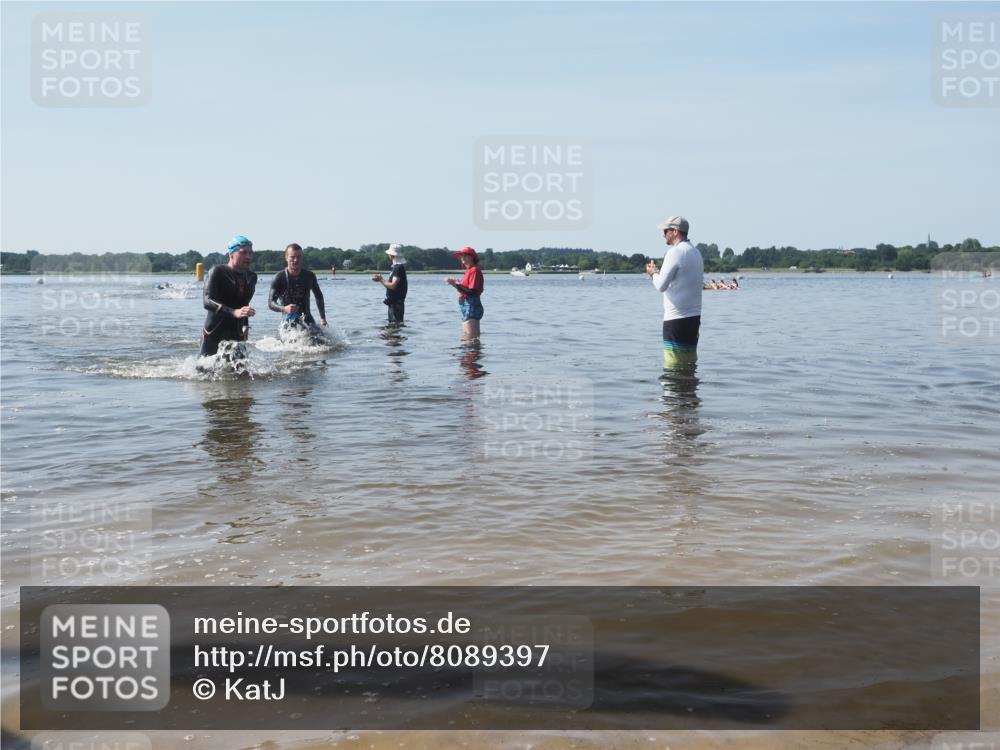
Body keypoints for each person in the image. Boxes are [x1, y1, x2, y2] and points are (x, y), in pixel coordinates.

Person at [646, 216, 703, 369]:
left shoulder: (675, 252)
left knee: (673, 367)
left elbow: (661, 286)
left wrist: (653, 273)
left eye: (666, 231)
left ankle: (675, 393)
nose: (663, 234)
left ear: (675, 231)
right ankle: (689, 392)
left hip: (676, 319)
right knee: (689, 363)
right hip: (693, 318)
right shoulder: (696, 252)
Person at [200, 235, 257, 357]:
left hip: (237, 331)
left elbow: (244, 303)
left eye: (250, 253)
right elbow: (207, 300)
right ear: (231, 254)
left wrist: (246, 324)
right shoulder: (217, 271)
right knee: (203, 373)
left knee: (242, 373)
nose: (248, 257)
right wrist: (233, 312)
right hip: (214, 331)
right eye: (243, 253)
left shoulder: (251, 277)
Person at [268, 243, 327, 336]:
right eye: (292, 257)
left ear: (302, 258)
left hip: (307, 318)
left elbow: (318, 296)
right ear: (286, 258)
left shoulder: (309, 276)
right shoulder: (279, 277)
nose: (296, 260)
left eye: (299, 257)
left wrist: (323, 318)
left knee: (325, 342)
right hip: (288, 320)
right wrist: (284, 308)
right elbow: (271, 303)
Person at [446, 246, 484, 339]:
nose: (462, 257)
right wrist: (455, 284)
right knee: (469, 337)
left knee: (471, 337)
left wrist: (457, 284)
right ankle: (469, 353)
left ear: (472, 257)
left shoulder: (474, 270)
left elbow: (472, 292)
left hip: (471, 304)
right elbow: (466, 290)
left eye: (465, 255)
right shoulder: (469, 271)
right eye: (461, 256)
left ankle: (472, 353)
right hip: (467, 304)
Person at [371, 244, 408, 324]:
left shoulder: (398, 268)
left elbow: (393, 286)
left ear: (391, 255)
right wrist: (381, 280)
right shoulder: (396, 267)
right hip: (394, 303)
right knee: (393, 329)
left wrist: (381, 280)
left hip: (396, 304)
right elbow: (392, 285)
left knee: (393, 327)